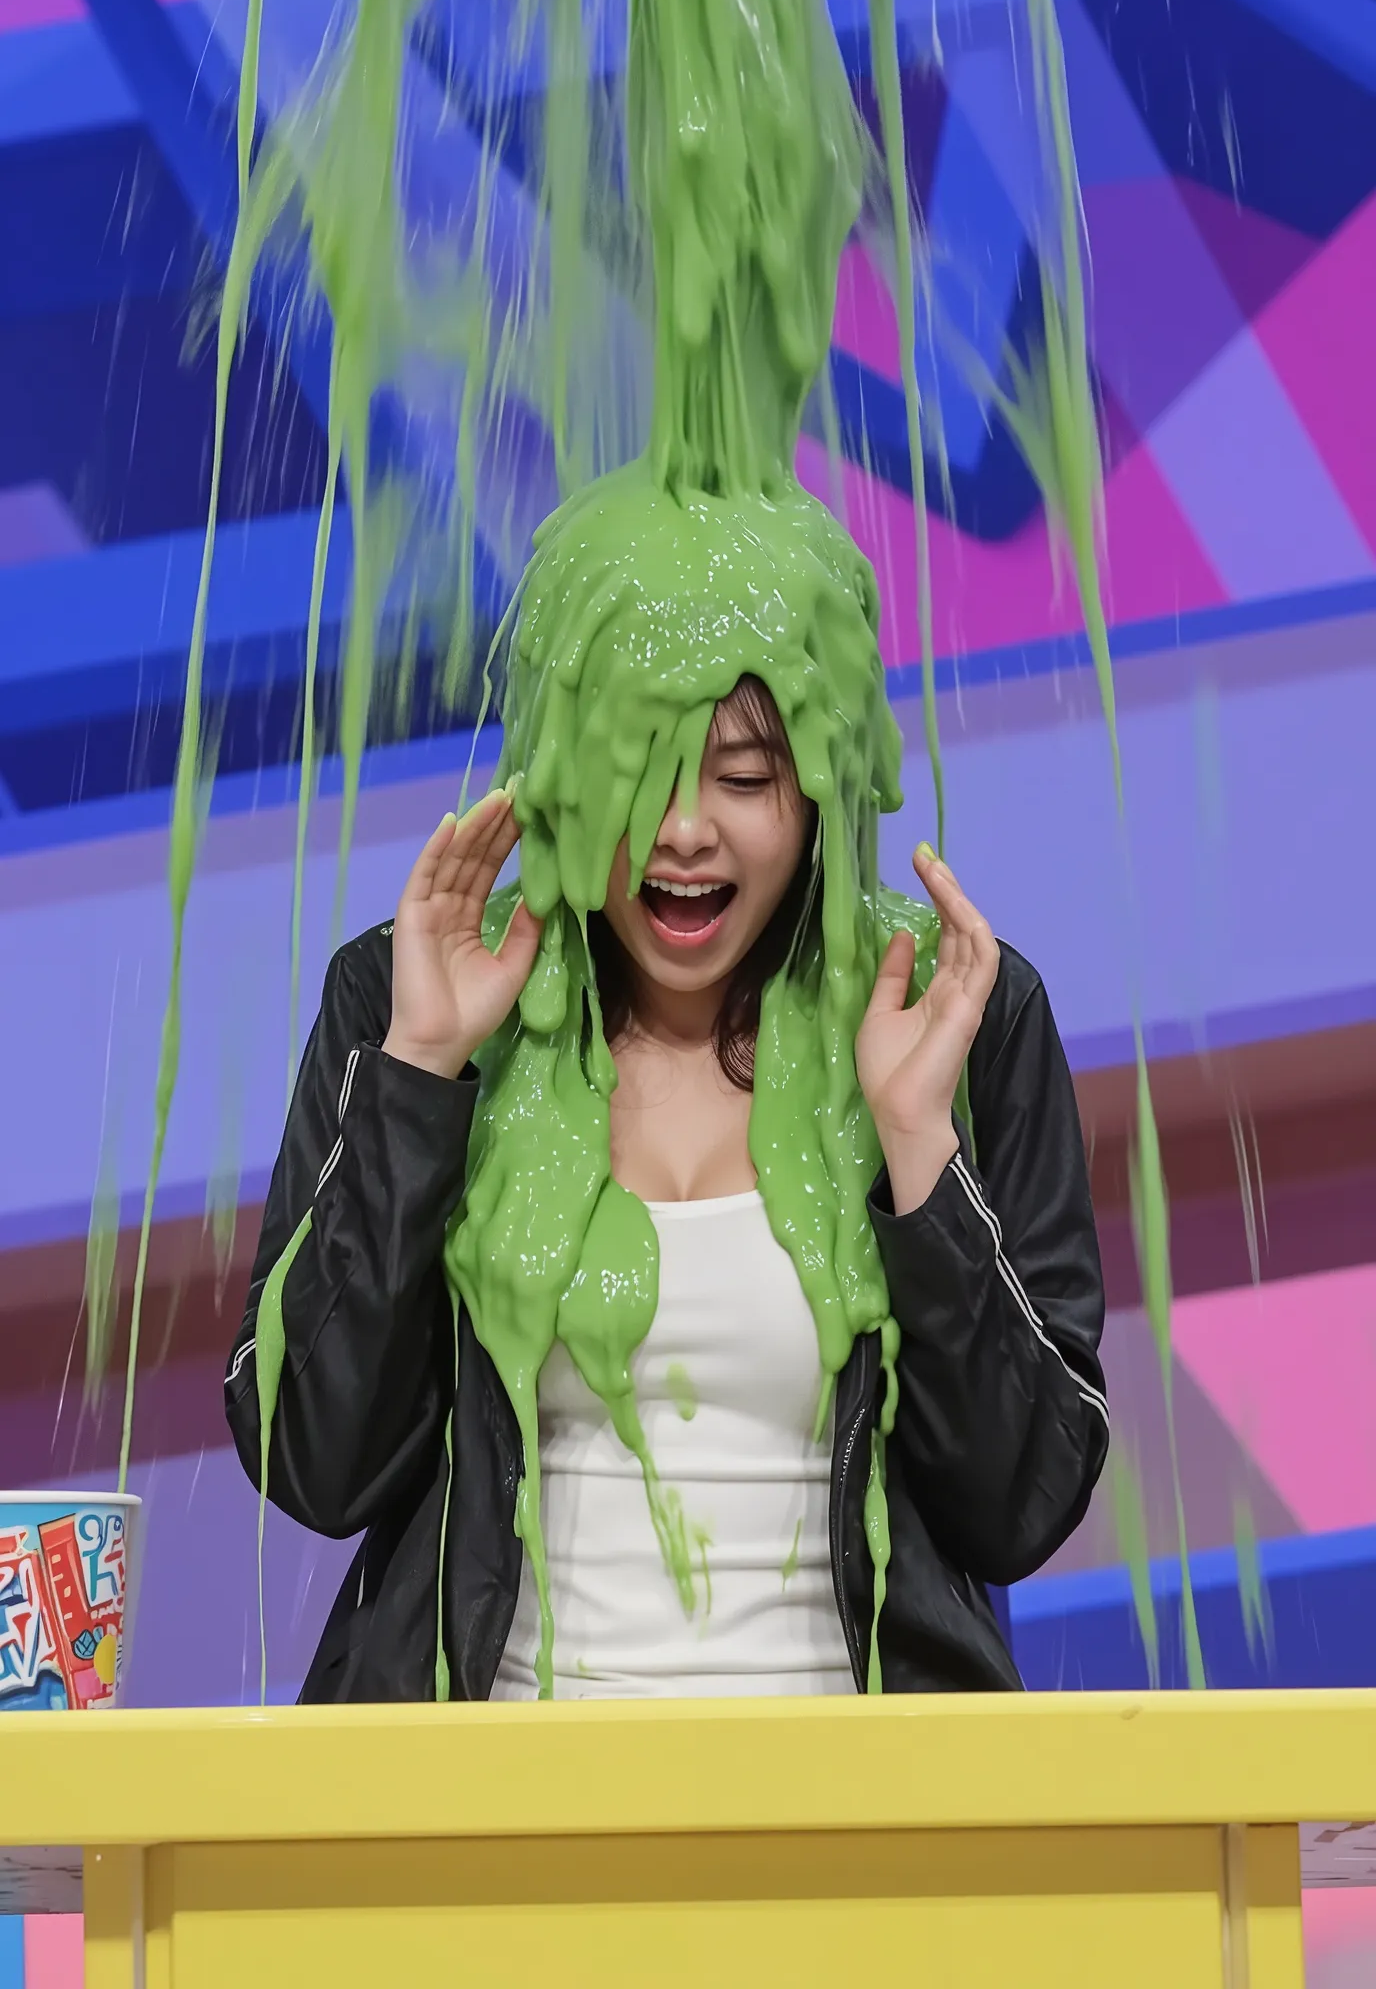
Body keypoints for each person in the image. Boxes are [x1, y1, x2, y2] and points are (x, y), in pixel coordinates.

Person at [225, 670, 1108, 1704]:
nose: (682, 830)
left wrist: (916, 1142)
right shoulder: (404, 991)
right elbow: (314, 1464)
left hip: (863, 1809)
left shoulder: (953, 1008)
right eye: (635, 769)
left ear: (819, 785)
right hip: (486, 1807)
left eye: (741, 777)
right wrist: (420, 1071)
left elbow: (1020, 1504)